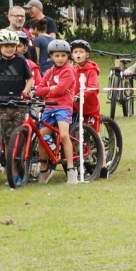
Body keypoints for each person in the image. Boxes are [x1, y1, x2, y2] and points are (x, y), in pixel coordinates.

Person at [33, 39, 78, 182]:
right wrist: (49, 90)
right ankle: (44, 169)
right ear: (51, 56)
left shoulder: (69, 70)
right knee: (42, 137)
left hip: (63, 107)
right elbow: (39, 89)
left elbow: (61, 89)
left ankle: (71, 169)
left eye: (63, 56)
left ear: (68, 56)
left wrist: (48, 90)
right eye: (57, 56)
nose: (60, 59)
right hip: (49, 107)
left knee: (64, 136)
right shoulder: (49, 72)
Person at [69, 40, 101, 131]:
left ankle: (100, 145)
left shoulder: (91, 70)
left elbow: (93, 86)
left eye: (81, 52)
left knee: (95, 133)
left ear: (87, 55)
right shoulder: (72, 69)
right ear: (72, 55)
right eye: (75, 52)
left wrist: (81, 94)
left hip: (89, 108)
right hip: (74, 107)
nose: (78, 54)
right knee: (73, 133)